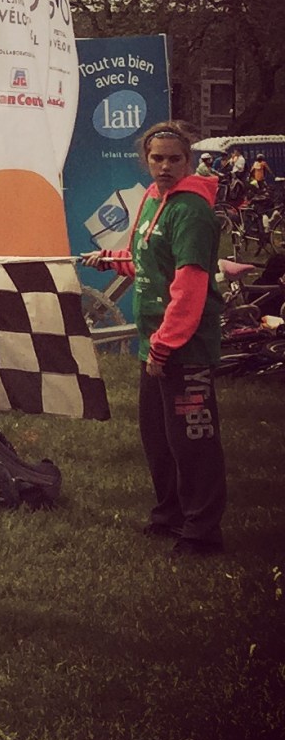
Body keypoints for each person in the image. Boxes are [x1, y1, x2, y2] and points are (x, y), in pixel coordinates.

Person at [89, 121, 226, 556]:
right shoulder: (153, 200)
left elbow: (189, 286)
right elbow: (149, 260)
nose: (164, 167)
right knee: (159, 437)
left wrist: (166, 346)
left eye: (174, 159)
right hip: (155, 342)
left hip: (185, 347)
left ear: (188, 161)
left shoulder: (191, 211)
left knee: (193, 441)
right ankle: (168, 515)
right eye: (156, 158)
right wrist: (112, 260)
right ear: (145, 160)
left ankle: (202, 533)